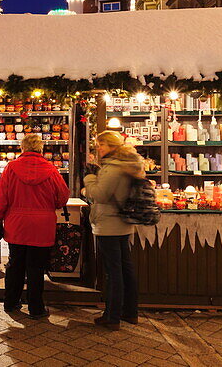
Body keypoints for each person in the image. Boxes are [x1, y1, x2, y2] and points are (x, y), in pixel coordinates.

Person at [0, 133, 70, 318]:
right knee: (36, 267)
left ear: (22, 148)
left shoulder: (11, 168)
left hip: (17, 224)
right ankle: (36, 308)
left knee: (15, 264)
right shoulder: (51, 169)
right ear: (40, 149)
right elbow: (62, 197)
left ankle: (11, 303)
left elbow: (1, 197)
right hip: (42, 226)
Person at [83, 130, 145, 330]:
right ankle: (130, 312)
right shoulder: (129, 164)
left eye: (101, 145)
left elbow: (100, 194)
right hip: (124, 223)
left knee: (113, 271)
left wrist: (89, 180)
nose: (98, 148)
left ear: (110, 146)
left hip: (109, 224)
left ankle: (112, 316)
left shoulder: (113, 167)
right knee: (126, 268)